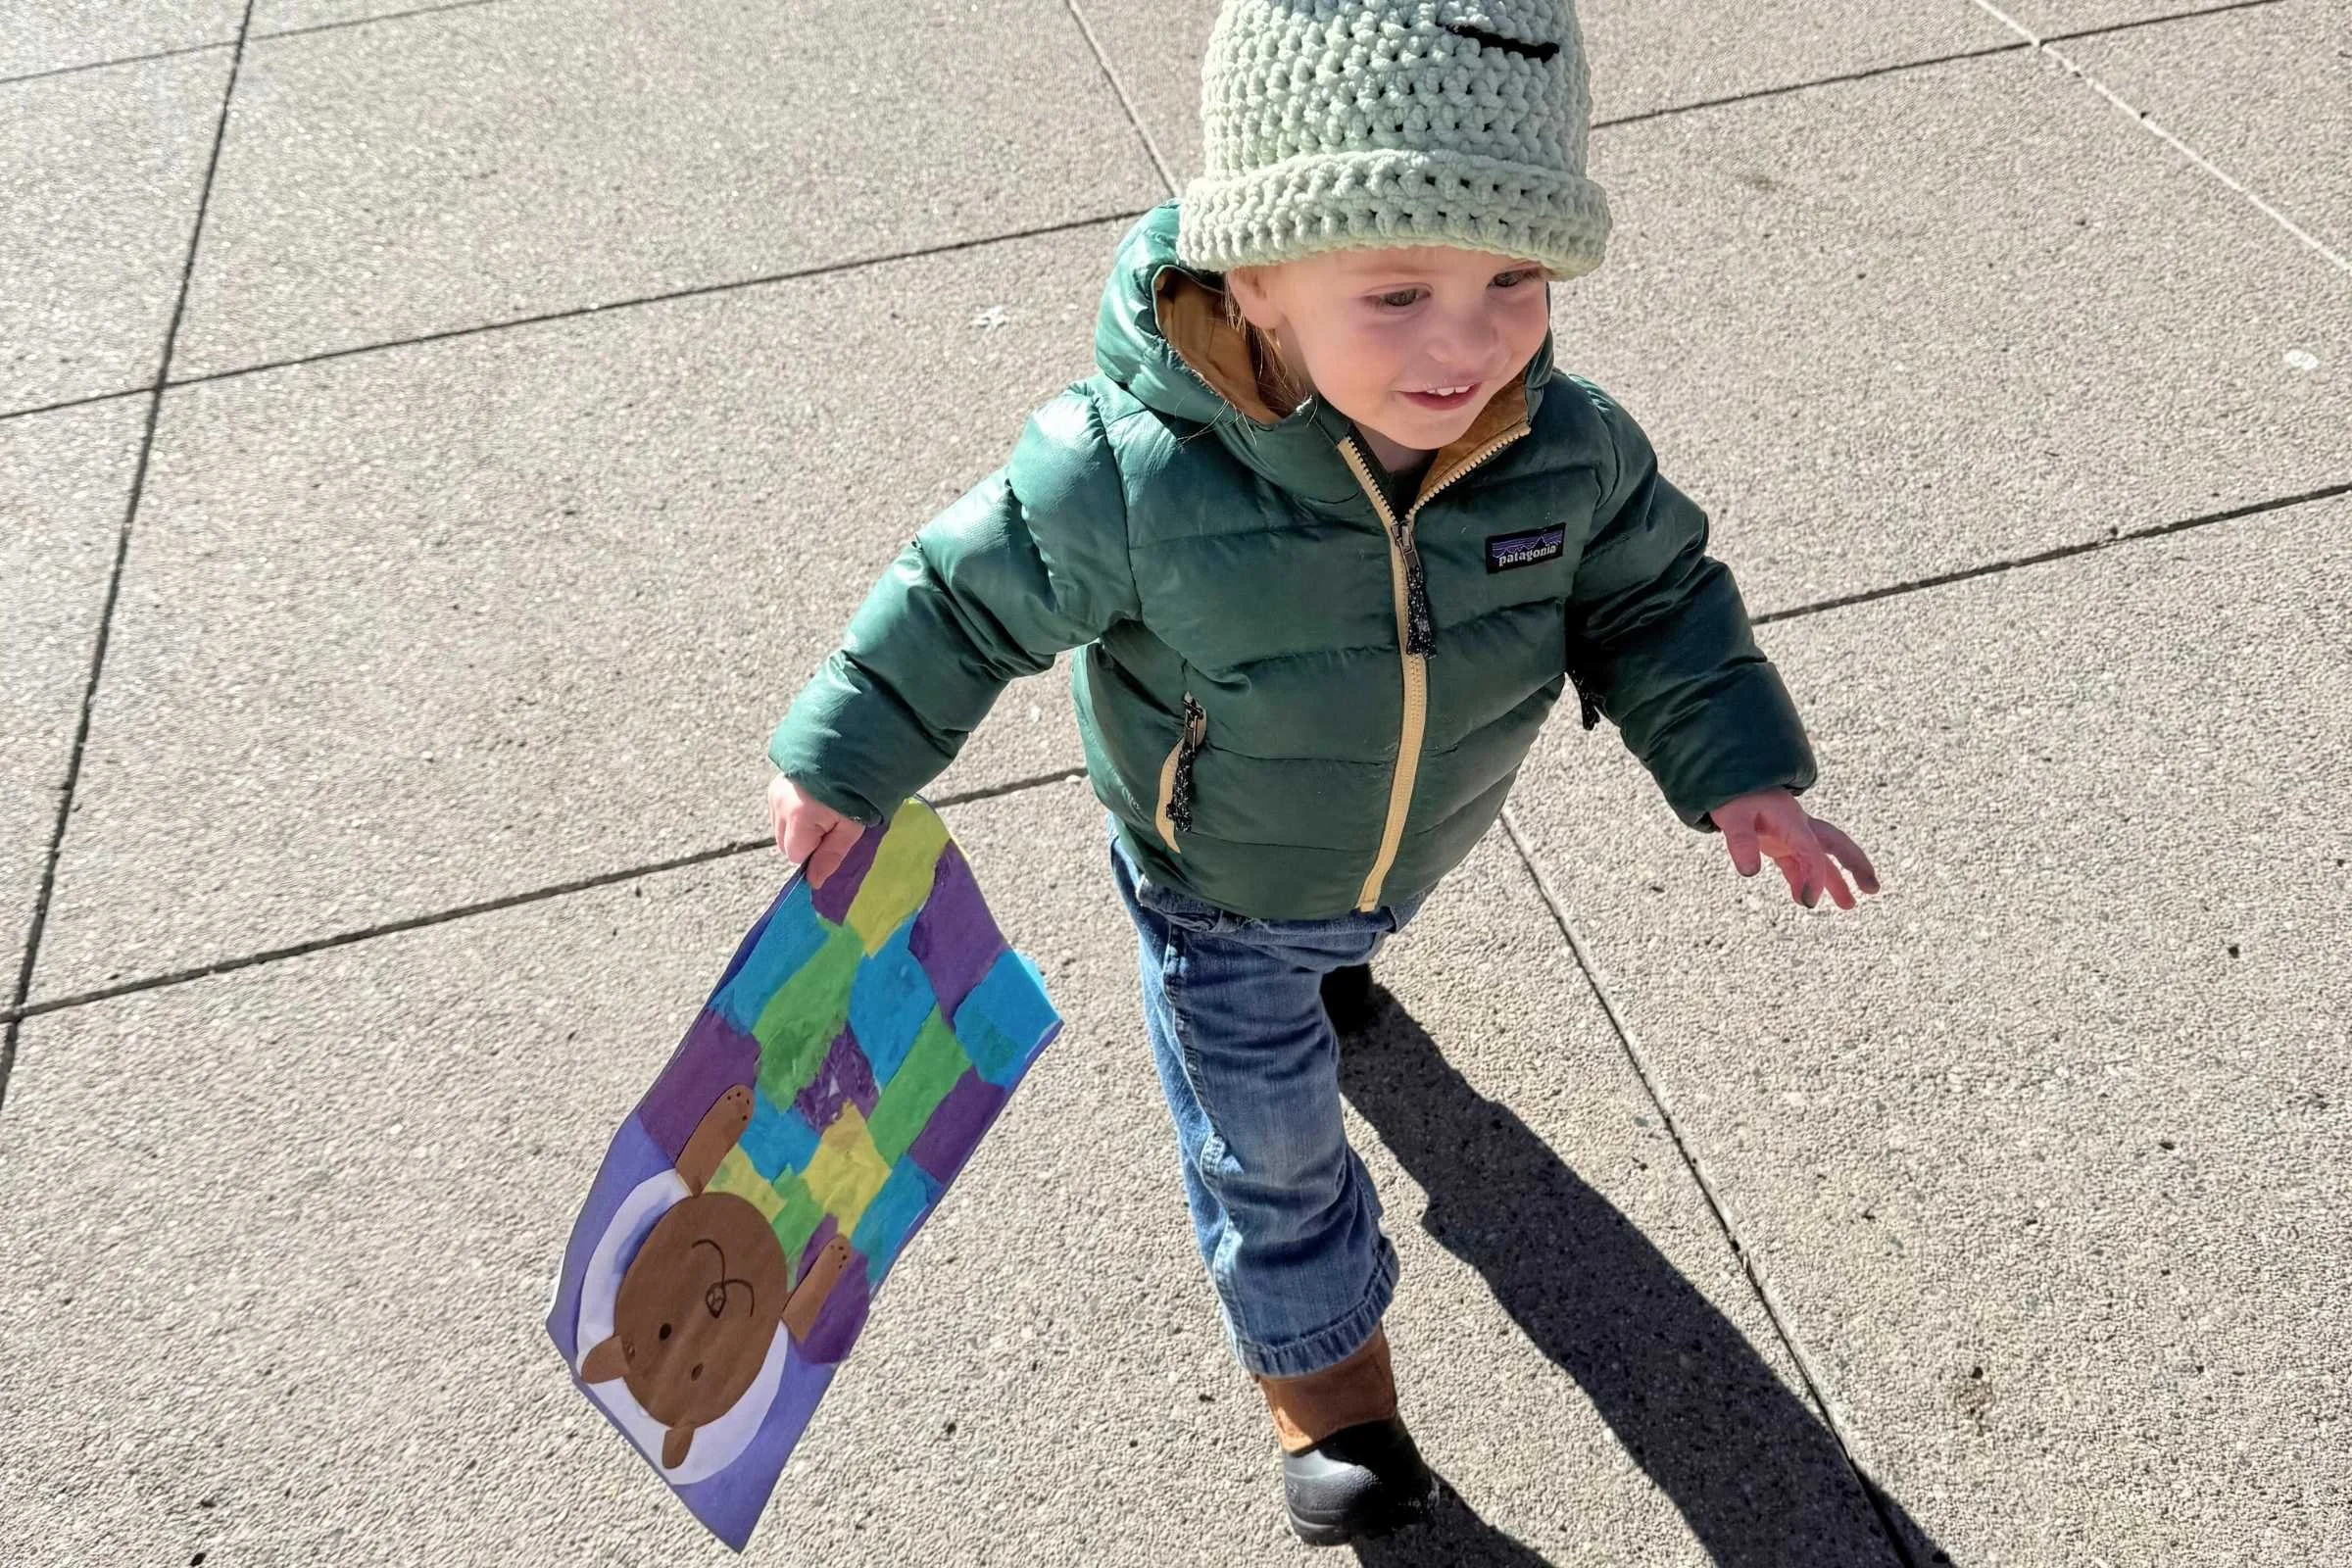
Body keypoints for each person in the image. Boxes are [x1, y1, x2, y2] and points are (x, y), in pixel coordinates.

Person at [764, 0, 1877, 1544]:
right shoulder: (1128, 471)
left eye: (1514, 279)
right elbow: (964, 599)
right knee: (1271, 1152)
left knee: (1339, 955)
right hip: (1216, 879)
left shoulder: (1563, 447)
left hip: (1394, 847)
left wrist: (1741, 768)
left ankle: (1343, 967)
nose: (1469, 341)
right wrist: (850, 754)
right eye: (1399, 289)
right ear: (1257, 281)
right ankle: (1328, 1379)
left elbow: (1655, 600)